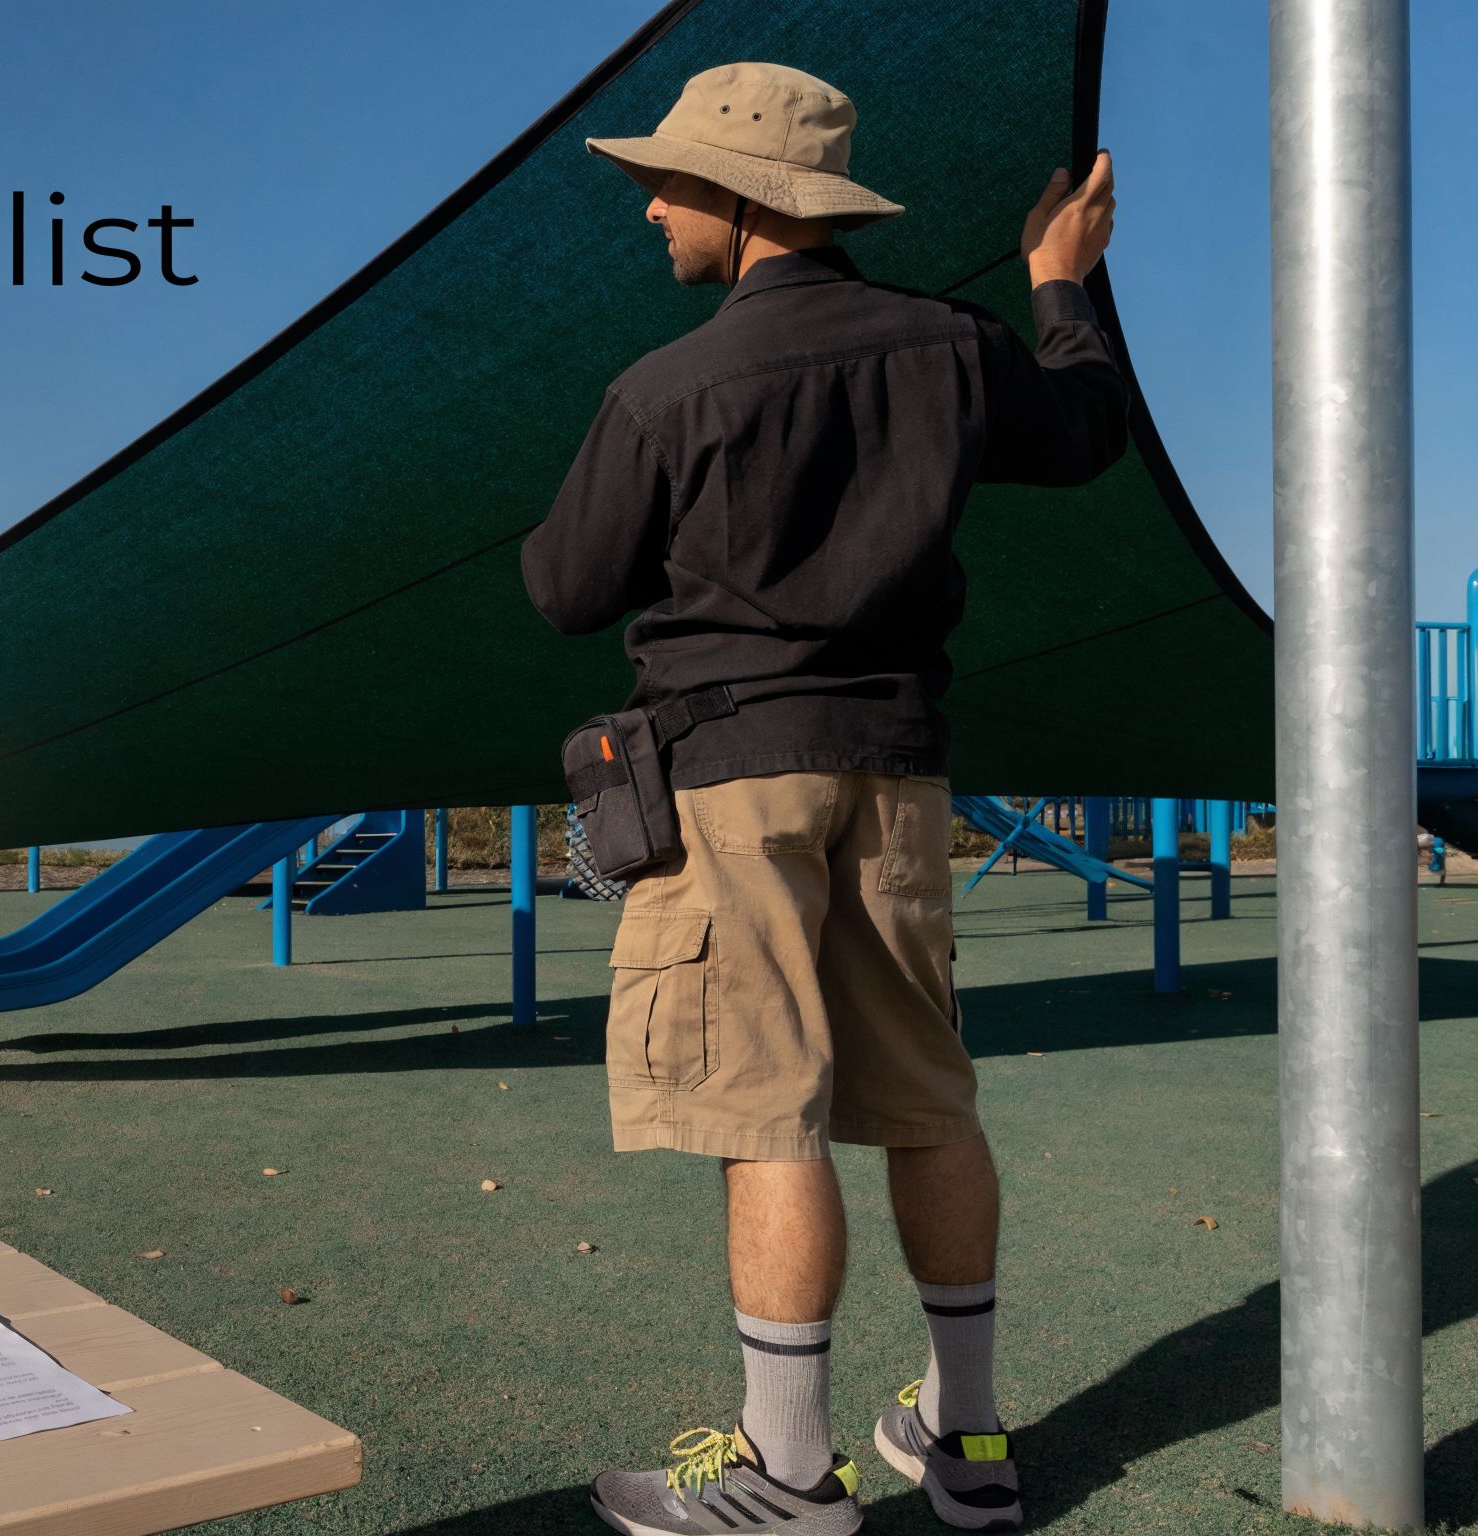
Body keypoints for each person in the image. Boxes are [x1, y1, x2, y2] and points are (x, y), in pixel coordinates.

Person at [520, 61, 1124, 1536]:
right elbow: (1084, 432)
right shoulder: (956, 344)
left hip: (729, 777)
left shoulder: (666, 388)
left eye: (668, 185)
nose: (653, 207)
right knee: (928, 1104)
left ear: (742, 200)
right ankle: (967, 1444)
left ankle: (786, 1473)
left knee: (763, 1115)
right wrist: (1061, 282)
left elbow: (566, 590)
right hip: (903, 768)